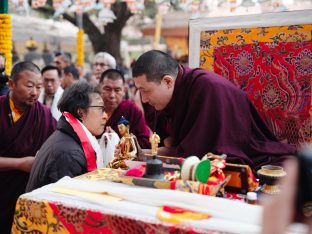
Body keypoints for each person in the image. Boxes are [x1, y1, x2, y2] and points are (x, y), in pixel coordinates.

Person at [132, 50, 295, 172]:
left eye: (146, 91)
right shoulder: (161, 99)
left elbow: (205, 154)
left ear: (168, 81)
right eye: (140, 90)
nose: (144, 99)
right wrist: (142, 153)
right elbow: (174, 145)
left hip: (249, 156)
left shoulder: (208, 89)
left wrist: (151, 155)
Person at [0, 61, 57, 234]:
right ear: (11, 84)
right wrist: (20, 163)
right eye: (29, 86)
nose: (35, 93)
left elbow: (55, 145)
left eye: (38, 87)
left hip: (29, 195)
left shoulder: (44, 114)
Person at [26, 82, 108, 192]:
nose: (105, 116)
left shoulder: (65, 137)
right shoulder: (69, 154)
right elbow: (67, 204)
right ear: (81, 112)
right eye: (101, 109)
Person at [99, 69, 150, 148]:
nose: (112, 95)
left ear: (124, 91)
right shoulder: (92, 110)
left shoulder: (131, 110)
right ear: (100, 88)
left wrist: (118, 141)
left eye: (117, 90)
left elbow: (145, 142)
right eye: (108, 89)